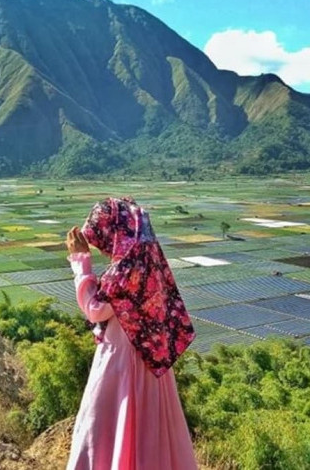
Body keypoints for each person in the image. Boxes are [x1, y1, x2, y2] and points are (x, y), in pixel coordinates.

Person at [66, 197, 197, 470]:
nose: (104, 250)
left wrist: (80, 262)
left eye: (103, 240)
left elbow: (96, 309)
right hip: (151, 362)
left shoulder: (125, 271)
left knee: (100, 426)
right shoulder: (149, 263)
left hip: (121, 361)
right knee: (150, 431)